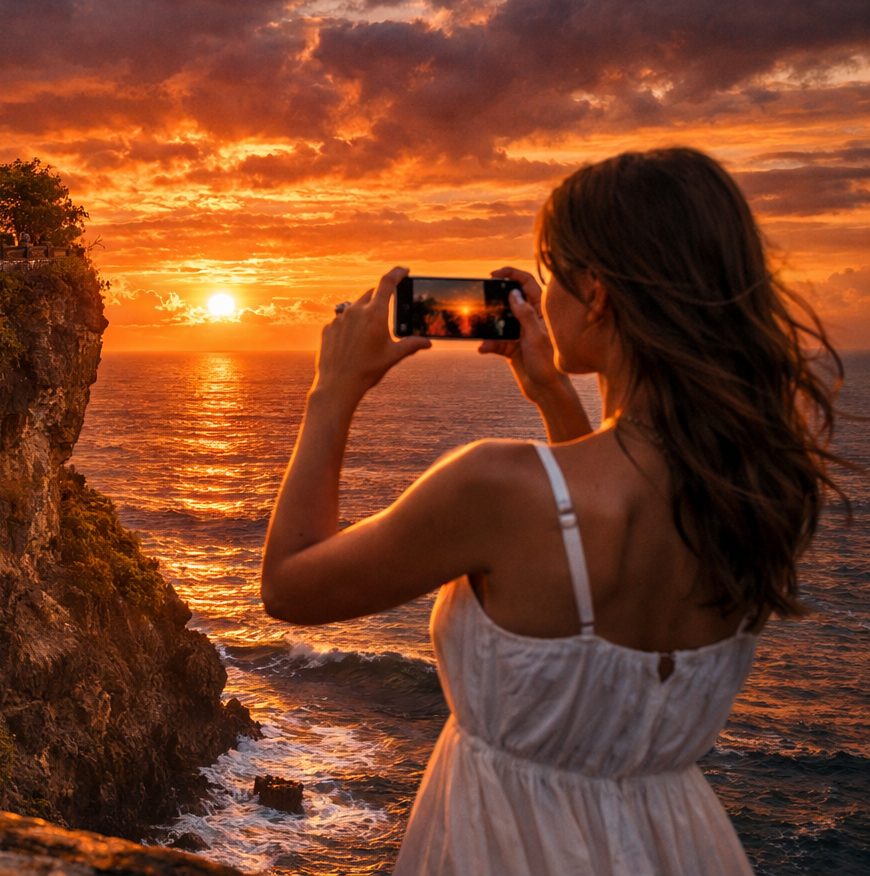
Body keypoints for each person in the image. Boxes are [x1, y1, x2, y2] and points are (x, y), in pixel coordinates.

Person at [259, 148, 851, 875]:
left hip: (506, 847)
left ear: (596, 293)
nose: (537, 293)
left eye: (552, 268)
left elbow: (290, 585)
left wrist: (333, 392)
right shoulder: (759, 492)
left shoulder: (495, 488)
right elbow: (604, 537)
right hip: (676, 844)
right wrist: (552, 393)